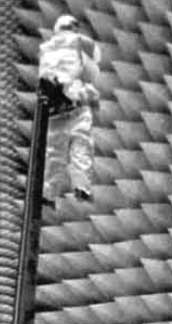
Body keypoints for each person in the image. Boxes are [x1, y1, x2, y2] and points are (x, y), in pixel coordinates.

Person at [38, 14, 100, 203]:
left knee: (54, 154)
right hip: (76, 107)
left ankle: (48, 194)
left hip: (55, 111)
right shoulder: (80, 42)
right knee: (80, 146)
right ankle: (81, 187)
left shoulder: (45, 50)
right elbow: (96, 60)